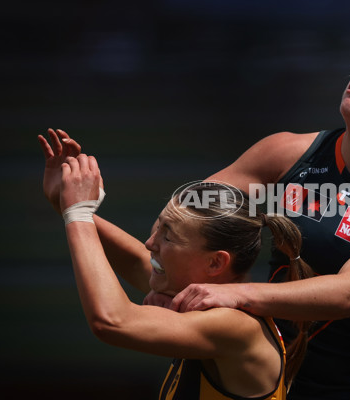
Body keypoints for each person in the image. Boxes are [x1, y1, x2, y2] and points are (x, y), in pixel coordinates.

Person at [39, 26, 350, 399]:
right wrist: (77, 208)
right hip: (264, 374)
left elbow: (349, 294)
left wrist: (233, 294)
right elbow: (185, 223)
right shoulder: (289, 155)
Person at [44, 150, 314, 399]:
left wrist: (78, 214)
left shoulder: (236, 326)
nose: (150, 243)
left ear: (215, 263)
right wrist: (67, 201)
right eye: (158, 227)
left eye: (168, 237)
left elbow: (112, 321)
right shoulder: (199, 294)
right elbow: (137, 261)